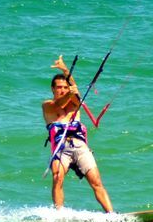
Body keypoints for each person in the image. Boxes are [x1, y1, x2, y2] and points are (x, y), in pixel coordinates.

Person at [42, 55, 114, 212]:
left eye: (65, 87)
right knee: (57, 177)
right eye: (58, 87)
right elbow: (58, 103)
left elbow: (76, 94)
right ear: (52, 89)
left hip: (80, 146)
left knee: (96, 182)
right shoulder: (48, 105)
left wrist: (65, 69)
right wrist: (70, 92)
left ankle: (111, 214)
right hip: (61, 149)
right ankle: (58, 214)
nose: (62, 90)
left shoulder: (75, 104)